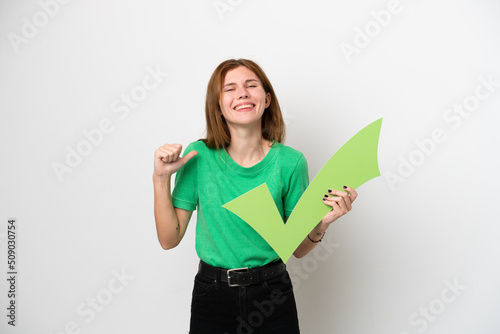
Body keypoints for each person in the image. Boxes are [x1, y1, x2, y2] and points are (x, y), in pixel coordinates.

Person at [153, 59, 357, 333]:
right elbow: (169, 239)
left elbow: (296, 249)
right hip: (212, 295)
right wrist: (160, 177)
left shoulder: (291, 163)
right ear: (218, 105)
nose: (243, 93)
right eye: (230, 88)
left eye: (251, 85)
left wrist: (322, 222)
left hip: (272, 294)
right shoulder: (198, 156)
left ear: (267, 99)